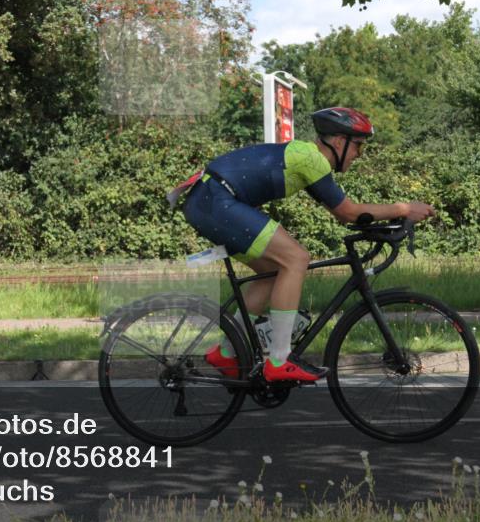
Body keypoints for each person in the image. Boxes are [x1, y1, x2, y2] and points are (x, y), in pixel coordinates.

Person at [179, 107, 435, 382]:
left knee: (274, 271)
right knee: (296, 258)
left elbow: (344, 215)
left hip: (209, 201)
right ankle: (278, 360)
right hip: (217, 200)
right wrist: (405, 208)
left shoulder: (307, 160)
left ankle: (227, 354)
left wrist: (388, 220)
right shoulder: (311, 160)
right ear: (339, 141)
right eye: (358, 146)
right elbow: (348, 212)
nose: (359, 154)